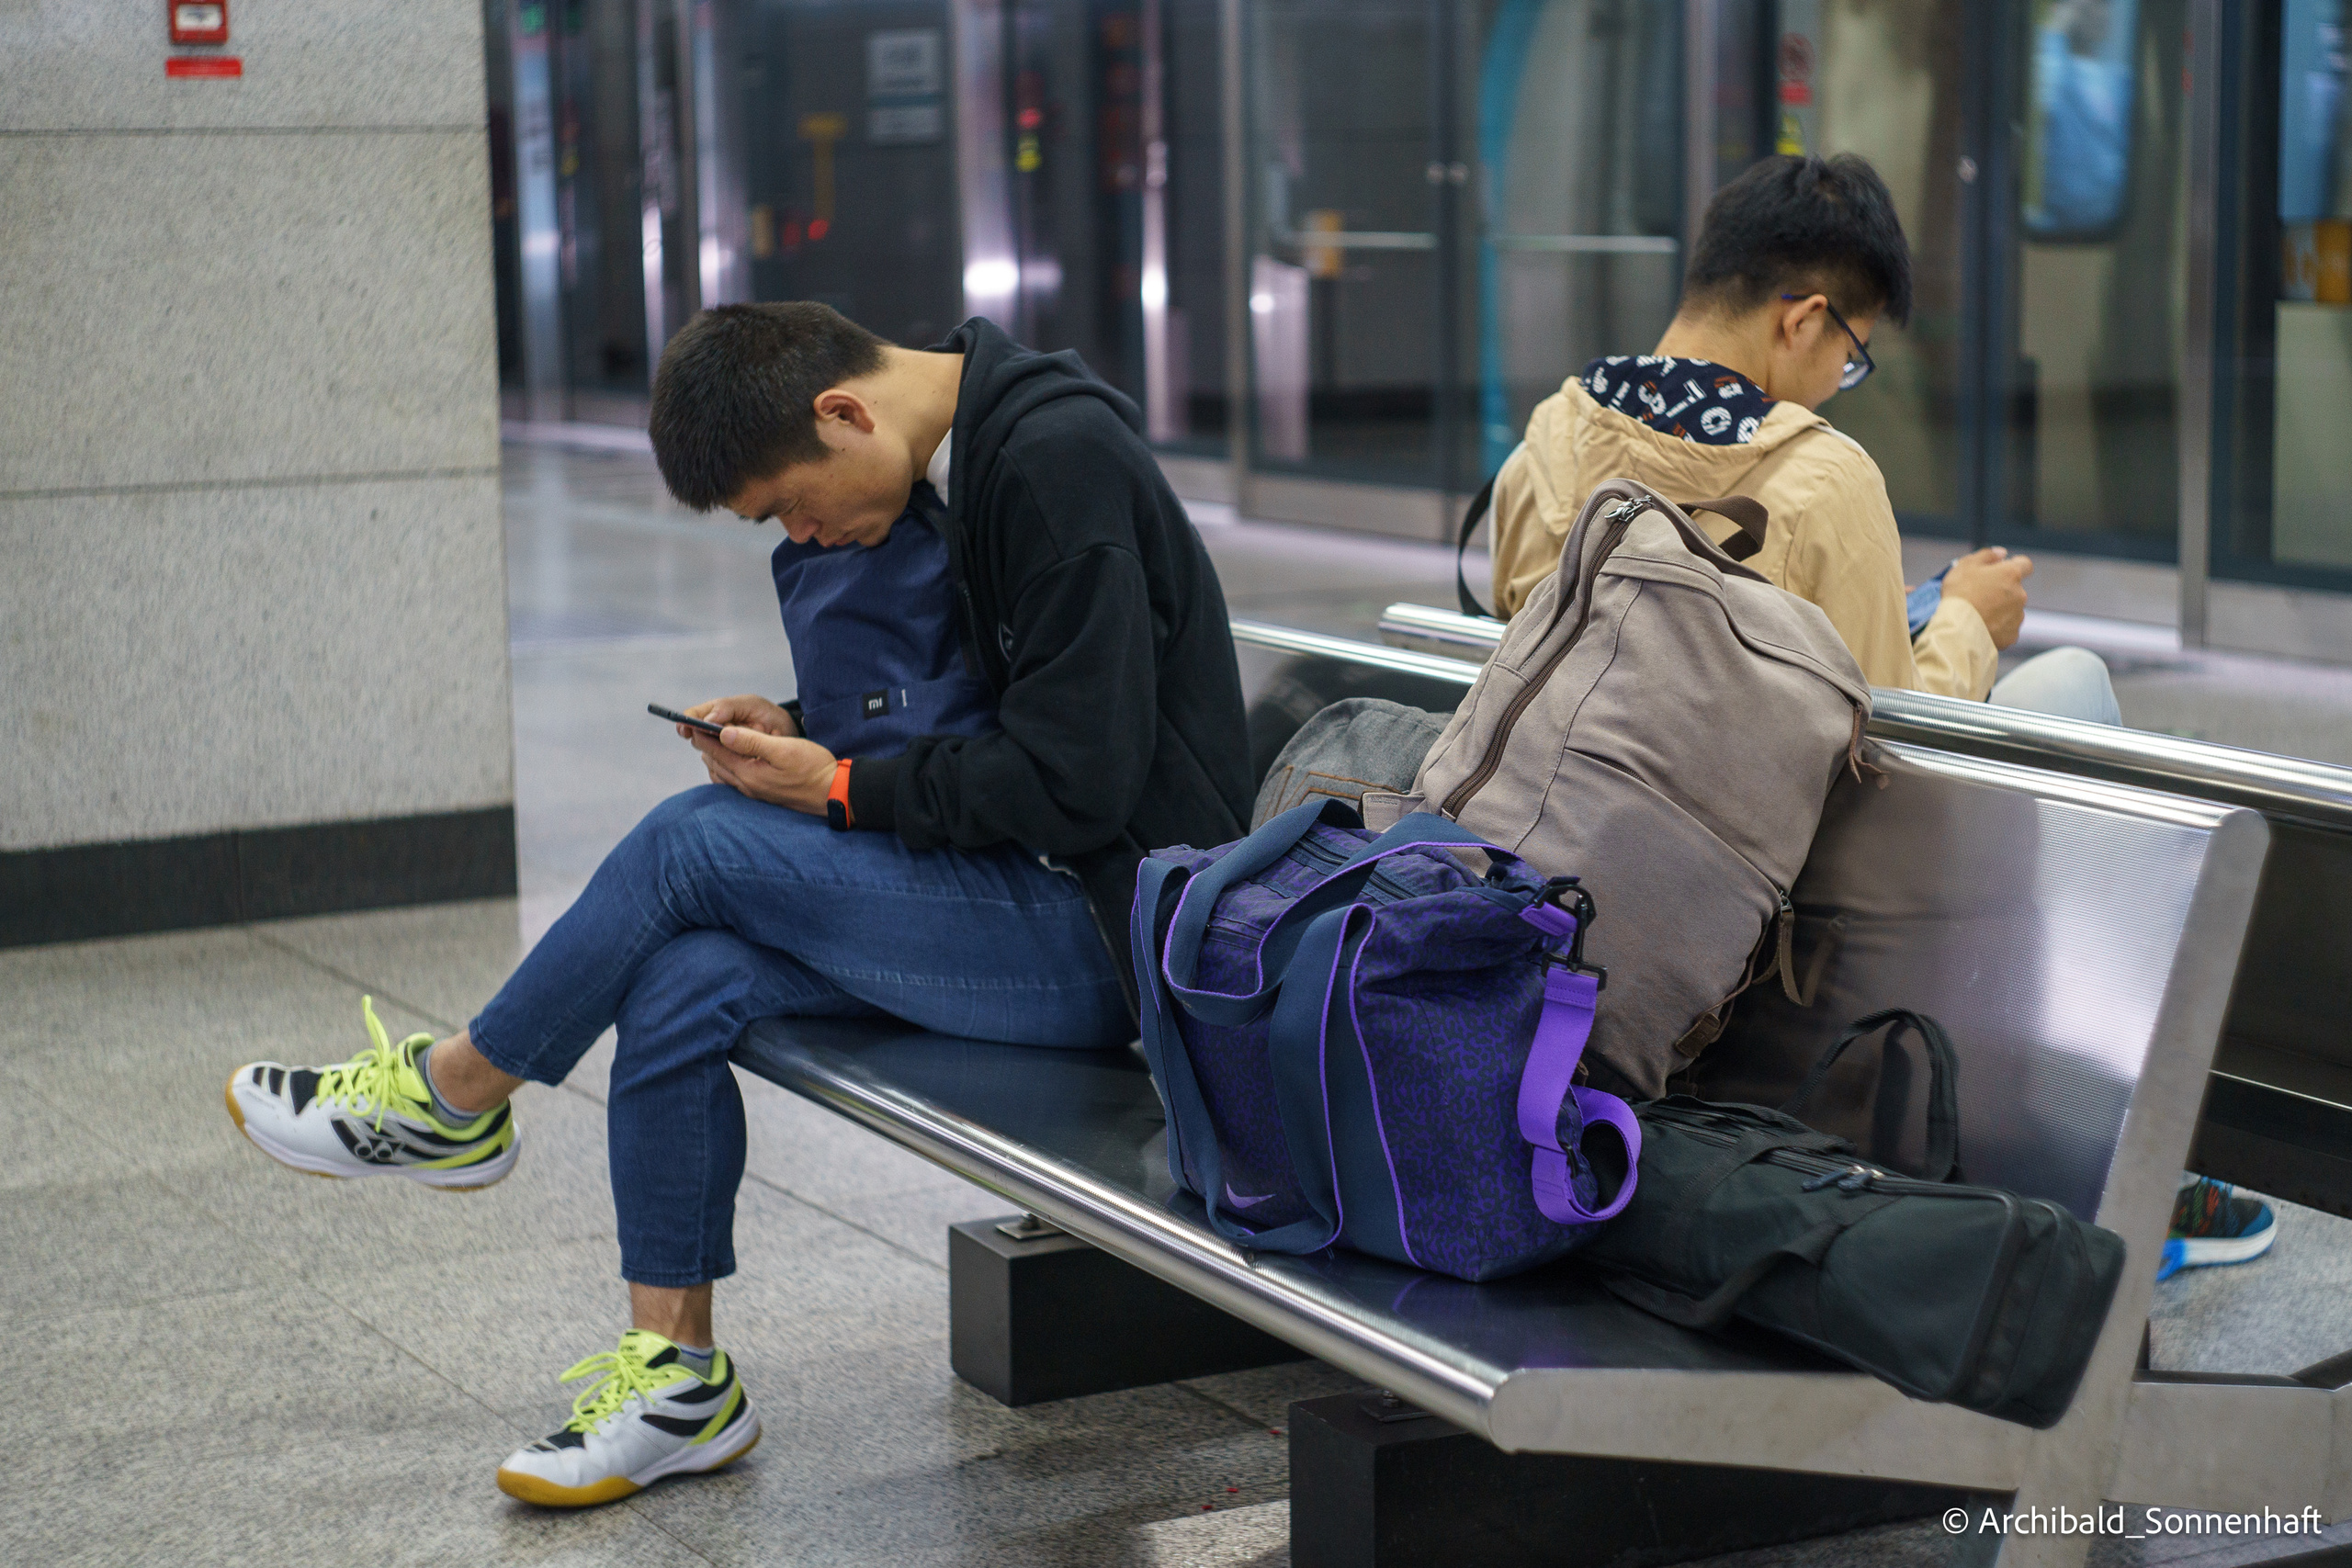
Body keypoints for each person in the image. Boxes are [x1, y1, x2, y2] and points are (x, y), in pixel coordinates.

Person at [221, 303, 1255, 1506]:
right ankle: (678, 1380)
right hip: (1019, 893)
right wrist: (808, 728)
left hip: (1116, 926)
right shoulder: (967, 449)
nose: (805, 533)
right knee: (684, 972)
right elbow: (990, 714)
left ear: (843, 411)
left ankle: (455, 1093)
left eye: (788, 507)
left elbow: (1079, 777)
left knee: (691, 846)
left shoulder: (1050, 458)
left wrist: (844, 786)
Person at [1485, 152, 2121, 727]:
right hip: (1757, 845)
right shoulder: (1825, 481)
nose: (1837, 384)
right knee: (2077, 677)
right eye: (1850, 358)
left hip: (1560, 814)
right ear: (1803, 322)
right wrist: (1968, 621)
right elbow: (1893, 743)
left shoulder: (1546, 439)